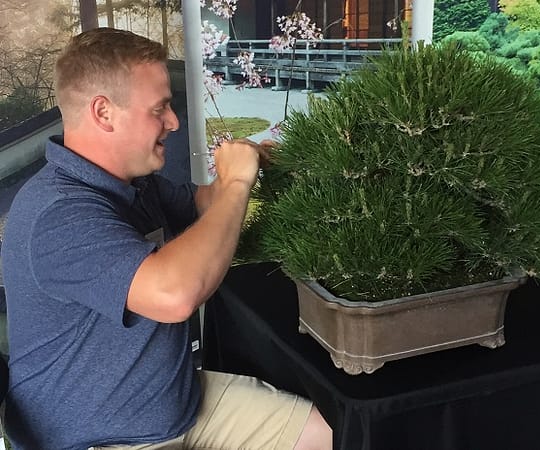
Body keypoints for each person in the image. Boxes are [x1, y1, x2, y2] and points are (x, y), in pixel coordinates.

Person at [0, 27, 332, 450]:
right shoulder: (59, 214)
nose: (173, 123)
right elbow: (174, 294)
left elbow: (205, 209)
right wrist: (235, 185)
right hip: (101, 439)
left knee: (334, 435)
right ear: (103, 113)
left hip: (176, 405)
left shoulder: (134, 184)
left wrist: (242, 170)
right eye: (160, 109)